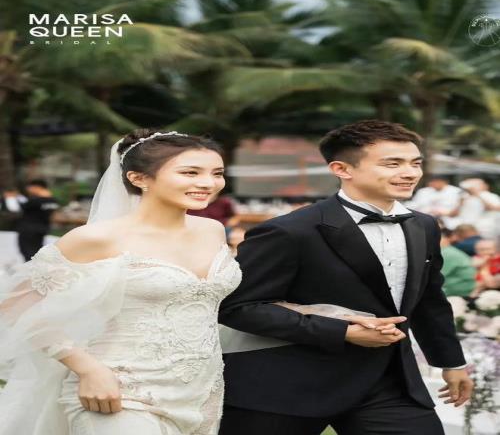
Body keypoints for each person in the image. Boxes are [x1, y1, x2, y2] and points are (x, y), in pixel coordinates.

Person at [219, 120, 473, 435]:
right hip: (285, 382)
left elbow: (429, 300)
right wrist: (342, 332)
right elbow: (236, 307)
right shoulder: (288, 231)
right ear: (342, 169)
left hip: (387, 383)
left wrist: (451, 362)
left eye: (415, 163)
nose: (410, 173)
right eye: (392, 163)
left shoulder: (424, 226)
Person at [0, 130, 243, 435]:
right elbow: (16, 302)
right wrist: (87, 368)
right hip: (117, 389)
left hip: (199, 391)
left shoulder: (212, 231)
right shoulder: (97, 238)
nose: (208, 183)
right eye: (190, 172)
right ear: (139, 178)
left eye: (217, 173)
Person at [15, 179, 60, 261]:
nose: (28, 190)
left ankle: (31, 268)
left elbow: (20, 208)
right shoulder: (54, 201)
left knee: (28, 252)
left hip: (29, 230)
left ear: (37, 187)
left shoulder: (34, 201)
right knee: (36, 252)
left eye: (29, 187)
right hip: (42, 229)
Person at [440, 228, 475, 297]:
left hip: (463, 289)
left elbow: (437, 275)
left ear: (445, 239)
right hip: (462, 287)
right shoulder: (448, 251)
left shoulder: (447, 252)